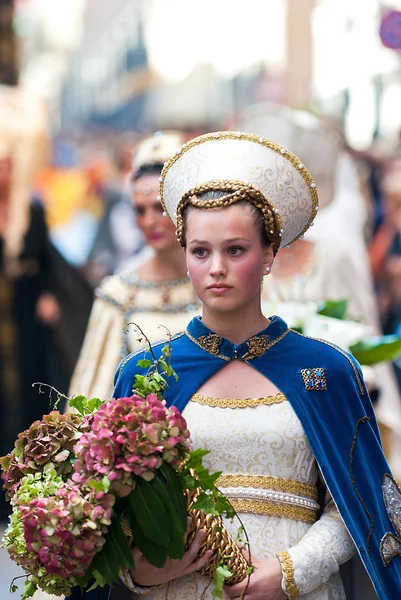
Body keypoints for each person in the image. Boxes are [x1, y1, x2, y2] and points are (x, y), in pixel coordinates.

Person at [109, 132, 401, 600]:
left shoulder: (326, 370)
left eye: (236, 250)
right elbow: (115, 511)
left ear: (269, 255)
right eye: (201, 251)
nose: (216, 267)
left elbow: (360, 504)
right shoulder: (146, 374)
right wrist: (141, 572)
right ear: (185, 258)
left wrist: (289, 573)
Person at [68, 131, 200, 401]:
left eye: (159, 208)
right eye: (140, 210)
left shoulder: (217, 279)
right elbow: (96, 393)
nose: (149, 221)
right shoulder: (119, 293)